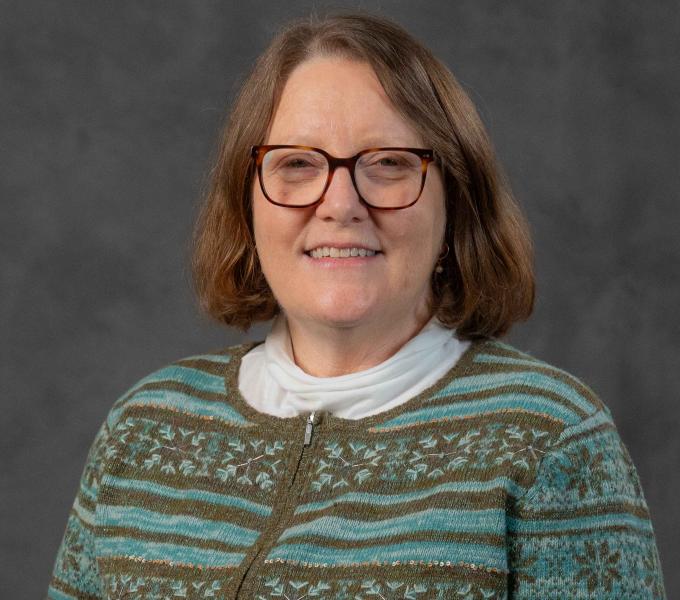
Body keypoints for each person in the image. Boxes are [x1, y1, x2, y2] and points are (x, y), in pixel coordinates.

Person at [47, 11, 666, 600]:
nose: (340, 203)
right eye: (295, 164)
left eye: (389, 164)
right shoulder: (146, 428)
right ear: (248, 203)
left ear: (455, 205)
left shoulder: (550, 437)